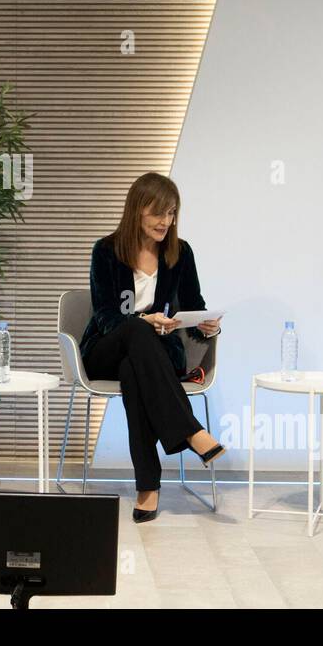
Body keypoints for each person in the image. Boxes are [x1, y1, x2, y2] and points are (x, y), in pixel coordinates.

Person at [79, 172, 224, 522]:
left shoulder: (180, 252)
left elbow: (193, 305)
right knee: (135, 333)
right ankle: (190, 430)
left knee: (135, 369)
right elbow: (105, 315)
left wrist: (207, 326)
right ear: (136, 211)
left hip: (155, 355)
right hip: (106, 349)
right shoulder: (106, 251)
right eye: (158, 212)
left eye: (172, 213)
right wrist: (143, 322)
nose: (166, 221)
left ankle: (148, 487)